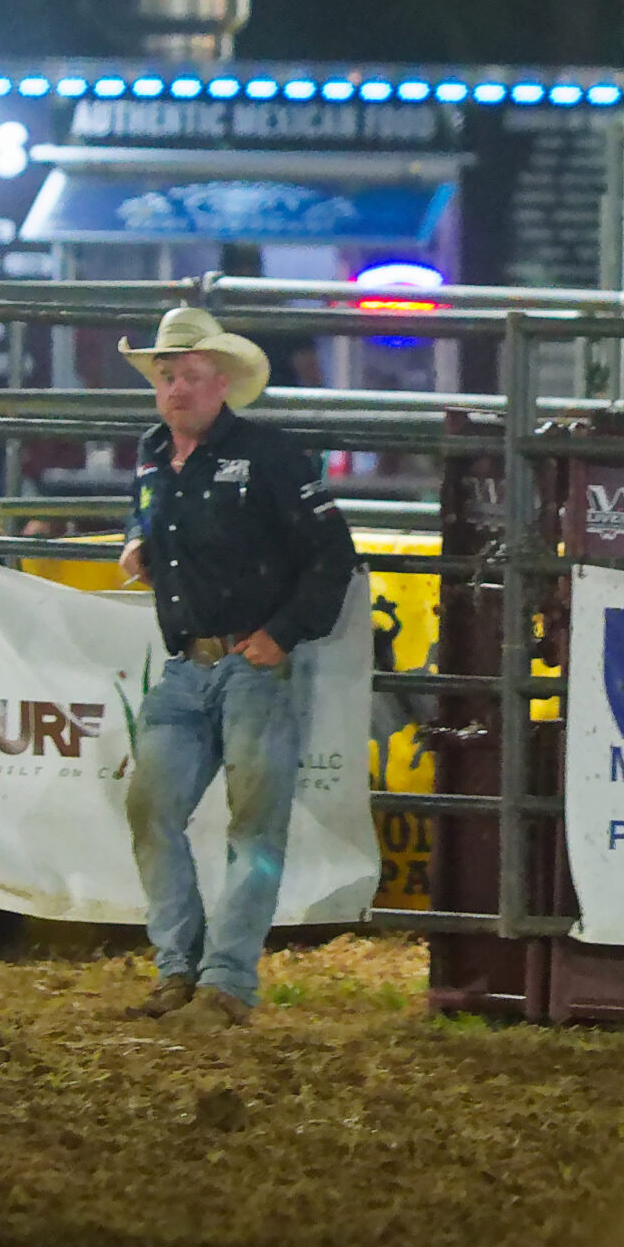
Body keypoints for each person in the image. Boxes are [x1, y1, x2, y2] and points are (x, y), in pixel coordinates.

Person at [116, 307, 357, 1032]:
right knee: (155, 810)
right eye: (166, 376)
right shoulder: (155, 457)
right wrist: (138, 541)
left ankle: (220, 976)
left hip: (248, 662)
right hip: (192, 662)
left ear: (221, 383)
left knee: (243, 824)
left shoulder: (271, 457)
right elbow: (146, 514)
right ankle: (185, 968)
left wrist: (280, 634)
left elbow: (332, 554)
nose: (175, 388)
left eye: (188, 376)